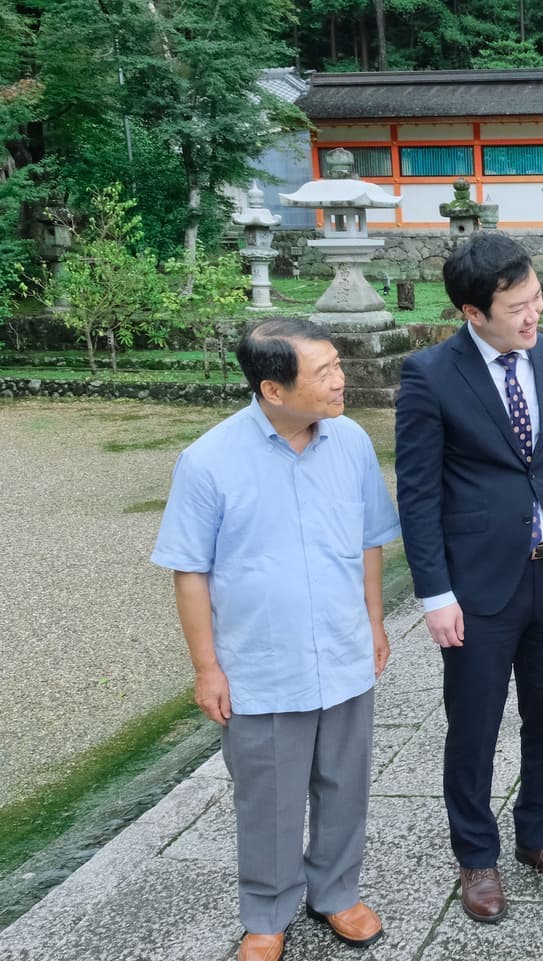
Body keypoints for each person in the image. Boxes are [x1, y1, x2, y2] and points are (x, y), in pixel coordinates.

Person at [150, 318, 400, 961]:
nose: (341, 380)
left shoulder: (349, 444)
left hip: (342, 651)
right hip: (261, 664)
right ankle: (267, 913)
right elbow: (191, 572)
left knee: (345, 785)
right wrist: (207, 669)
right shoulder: (208, 461)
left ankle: (336, 893)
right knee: (269, 799)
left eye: (337, 365)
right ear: (273, 389)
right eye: (325, 373)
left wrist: (374, 621)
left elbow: (372, 540)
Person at [394, 231, 543, 925]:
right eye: (517, 307)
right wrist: (435, 593)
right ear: (474, 313)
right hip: (476, 589)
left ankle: (539, 832)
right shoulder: (430, 374)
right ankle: (476, 853)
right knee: (473, 726)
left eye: (536, 298)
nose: (533, 316)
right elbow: (417, 494)